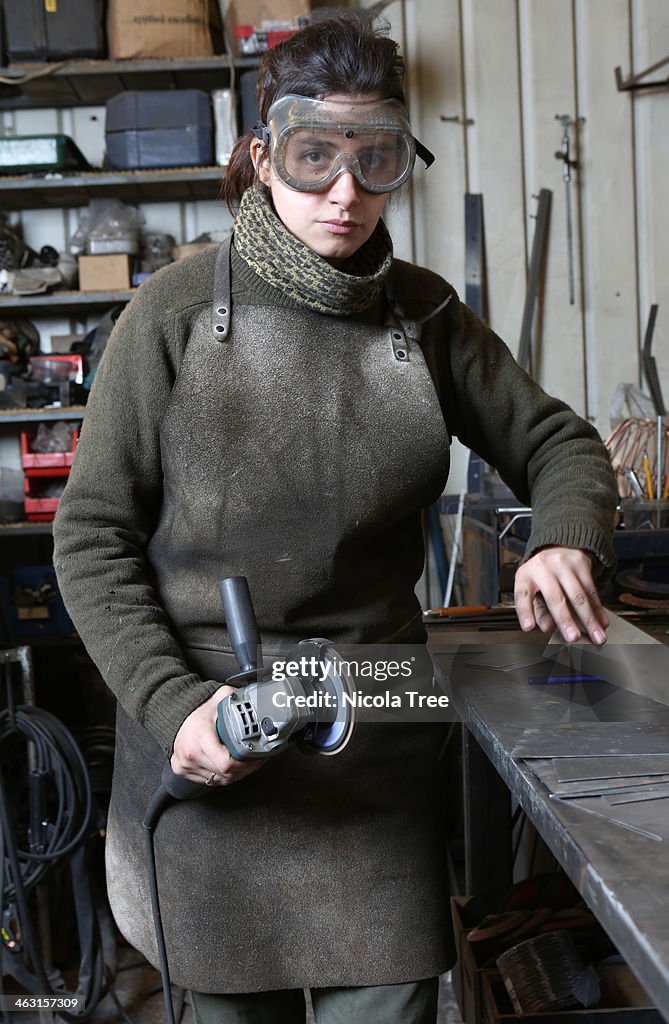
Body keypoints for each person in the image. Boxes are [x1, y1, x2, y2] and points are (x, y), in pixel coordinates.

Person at [53, 11, 617, 1024]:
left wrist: (564, 536)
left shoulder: (428, 316)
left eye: (376, 158)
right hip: (210, 753)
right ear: (264, 157)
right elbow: (90, 537)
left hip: (376, 753)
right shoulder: (171, 318)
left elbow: (560, 443)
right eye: (316, 156)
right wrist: (171, 701)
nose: (345, 191)